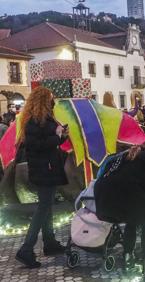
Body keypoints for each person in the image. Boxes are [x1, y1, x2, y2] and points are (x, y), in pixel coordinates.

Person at [94, 143, 145, 280]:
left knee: (131, 221)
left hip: (104, 199)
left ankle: (128, 258)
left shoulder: (120, 157)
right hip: (129, 196)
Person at [16, 87, 69, 268]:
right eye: (51, 98)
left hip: (49, 167)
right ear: (43, 100)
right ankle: (26, 249)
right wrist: (56, 137)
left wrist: (62, 136)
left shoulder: (46, 119)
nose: (53, 100)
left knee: (47, 206)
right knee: (43, 207)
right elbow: (35, 145)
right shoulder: (33, 121)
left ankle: (50, 242)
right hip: (43, 169)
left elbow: (50, 142)